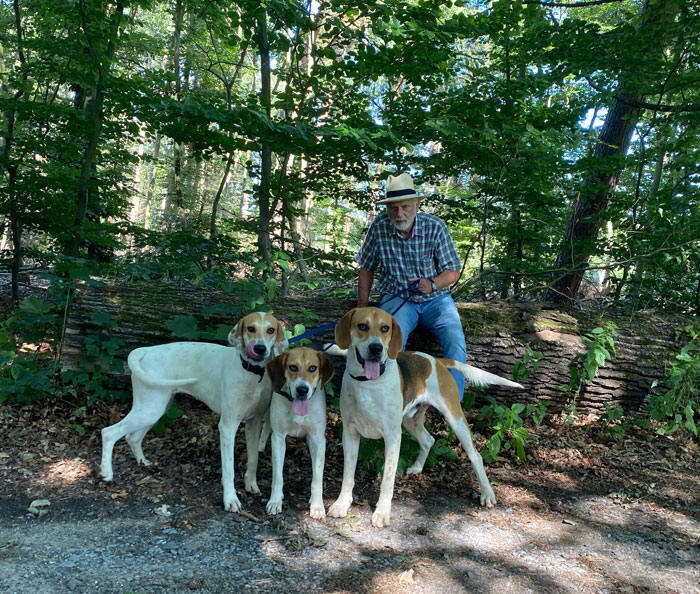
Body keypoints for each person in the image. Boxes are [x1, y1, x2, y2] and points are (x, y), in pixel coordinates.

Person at [355, 172, 468, 398]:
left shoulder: (435, 227)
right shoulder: (379, 227)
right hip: (397, 298)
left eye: (405, 207)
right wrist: (362, 308)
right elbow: (366, 268)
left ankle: (454, 405)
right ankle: (389, 399)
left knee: (455, 342)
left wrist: (432, 284)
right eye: (394, 208)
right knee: (388, 345)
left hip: (437, 300)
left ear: (417, 204)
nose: (400, 213)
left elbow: (453, 271)